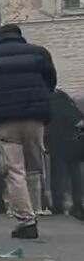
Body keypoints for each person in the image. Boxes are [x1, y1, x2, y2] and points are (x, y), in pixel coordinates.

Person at [0, 24, 55, 239]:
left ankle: (26, 221)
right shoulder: (39, 53)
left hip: (4, 120)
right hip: (35, 117)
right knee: (35, 166)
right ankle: (38, 206)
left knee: (14, 170)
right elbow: (50, 83)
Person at [45, 88, 84, 219]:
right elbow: (78, 118)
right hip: (71, 137)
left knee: (57, 173)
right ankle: (78, 204)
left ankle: (58, 206)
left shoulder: (44, 97)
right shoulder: (61, 95)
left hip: (54, 139)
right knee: (74, 172)